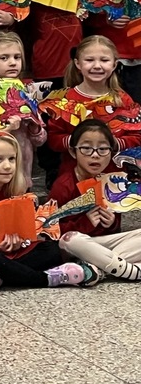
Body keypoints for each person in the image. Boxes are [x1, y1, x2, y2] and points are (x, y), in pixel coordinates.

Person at [0, 130, 98, 293]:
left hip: (11, 253)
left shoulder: (15, 188)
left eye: (11, 159)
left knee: (52, 251)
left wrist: (18, 241)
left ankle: (0, 277)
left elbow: (22, 230)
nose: (7, 166)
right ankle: (45, 279)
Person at [55, 120, 141, 281]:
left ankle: (96, 269)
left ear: (111, 152)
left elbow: (114, 231)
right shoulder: (64, 185)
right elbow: (52, 231)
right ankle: (131, 270)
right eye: (86, 148)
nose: (95, 155)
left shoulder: (113, 181)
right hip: (78, 246)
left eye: (102, 149)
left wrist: (112, 223)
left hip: (104, 247)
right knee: (70, 239)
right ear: (73, 152)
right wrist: (85, 223)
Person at [45, 35, 141, 173]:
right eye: (89, 60)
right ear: (78, 63)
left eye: (104, 60)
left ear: (114, 64)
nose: (97, 66)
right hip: (75, 172)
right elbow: (53, 138)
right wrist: (77, 142)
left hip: (114, 174)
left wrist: (115, 143)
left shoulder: (123, 100)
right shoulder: (65, 100)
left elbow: (137, 136)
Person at [0, 32, 45, 192]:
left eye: (17, 57)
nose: (12, 62)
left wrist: (35, 126)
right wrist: (6, 130)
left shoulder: (28, 92)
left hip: (22, 177)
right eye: (4, 58)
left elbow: (40, 140)